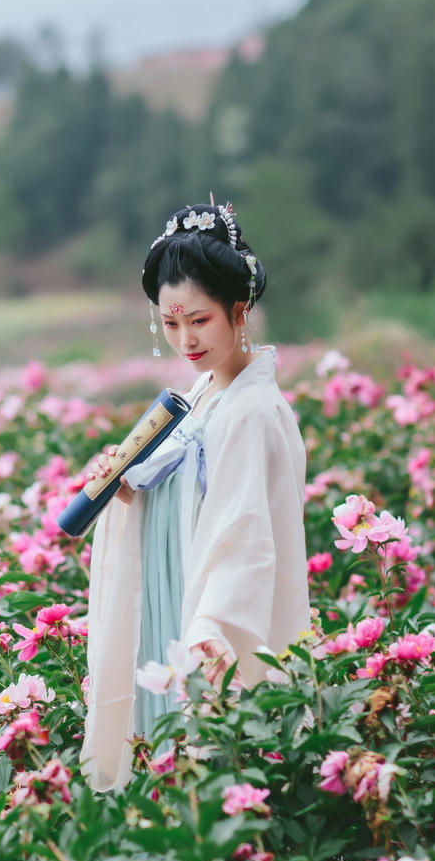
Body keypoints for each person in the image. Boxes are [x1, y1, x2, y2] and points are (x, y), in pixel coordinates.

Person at [79, 200, 311, 792]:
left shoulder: (253, 409)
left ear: (240, 310)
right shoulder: (206, 392)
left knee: (210, 773)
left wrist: (212, 623)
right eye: (171, 323)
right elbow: (190, 497)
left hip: (205, 614)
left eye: (200, 321)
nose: (185, 338)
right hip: (172, 594)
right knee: (167, 765)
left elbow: (245, 535)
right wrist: (130, 491)